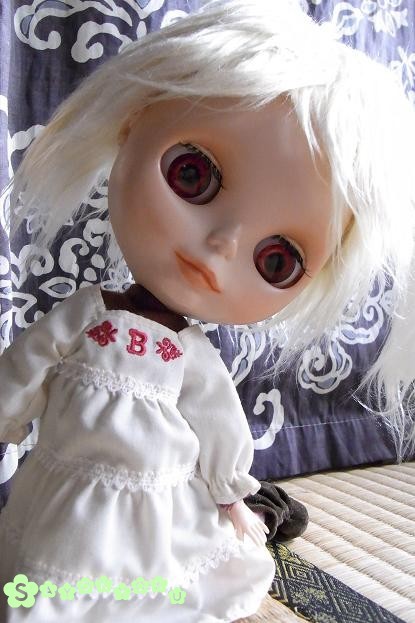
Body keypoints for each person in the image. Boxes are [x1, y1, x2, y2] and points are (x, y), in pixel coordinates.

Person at [1, 0, 414, 620]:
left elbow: (220, 426)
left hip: (153, 498)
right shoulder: (87, 315)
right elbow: (25, 366)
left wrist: (230, 494)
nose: (221, 246)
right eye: (193, 175)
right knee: (52, 565)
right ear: (132, 125)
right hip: (68, 484)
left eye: (277, 259)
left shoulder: (190, 355)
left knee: (145, 569)